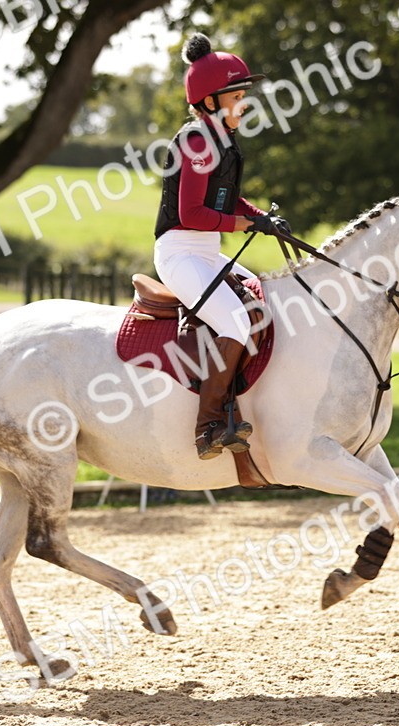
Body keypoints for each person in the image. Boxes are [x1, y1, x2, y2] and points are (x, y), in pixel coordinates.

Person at [154, 32, 290, 459]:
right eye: (237, 96)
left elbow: (227, 200)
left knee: (265, 300)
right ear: (210, 100)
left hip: (207, 252)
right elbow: (192, 212)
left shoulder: (223, 140)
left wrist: (259, 218)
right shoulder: (196, 141)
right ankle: (209, 426)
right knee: (234, 322)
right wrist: (241, 223)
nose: (244, 103)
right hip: (180, 252)